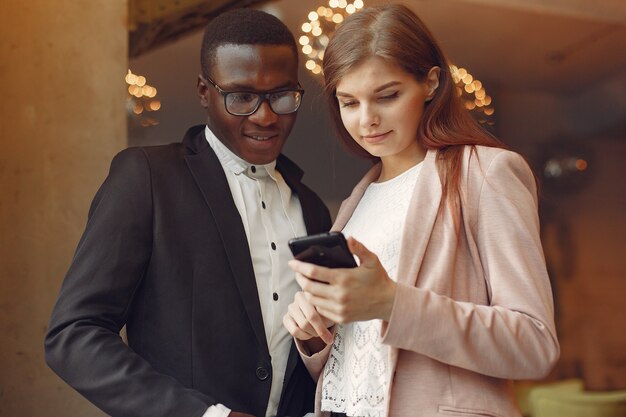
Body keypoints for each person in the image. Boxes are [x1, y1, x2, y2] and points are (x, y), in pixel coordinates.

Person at [44, 8, 331, 417]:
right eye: (242, 97)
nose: (266, 116)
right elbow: (72, 335)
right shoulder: (147, 177)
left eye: (282, 96)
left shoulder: (313, 209)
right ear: (203, 91)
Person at [282, 4, 560, 417]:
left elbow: (535, 346)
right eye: (348, 102)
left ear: (430, 83)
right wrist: (314, 332)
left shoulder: (484, 174)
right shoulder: (356, 203)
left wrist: (394, 304)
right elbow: (359, 360)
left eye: (387, 96)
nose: (367, 120)